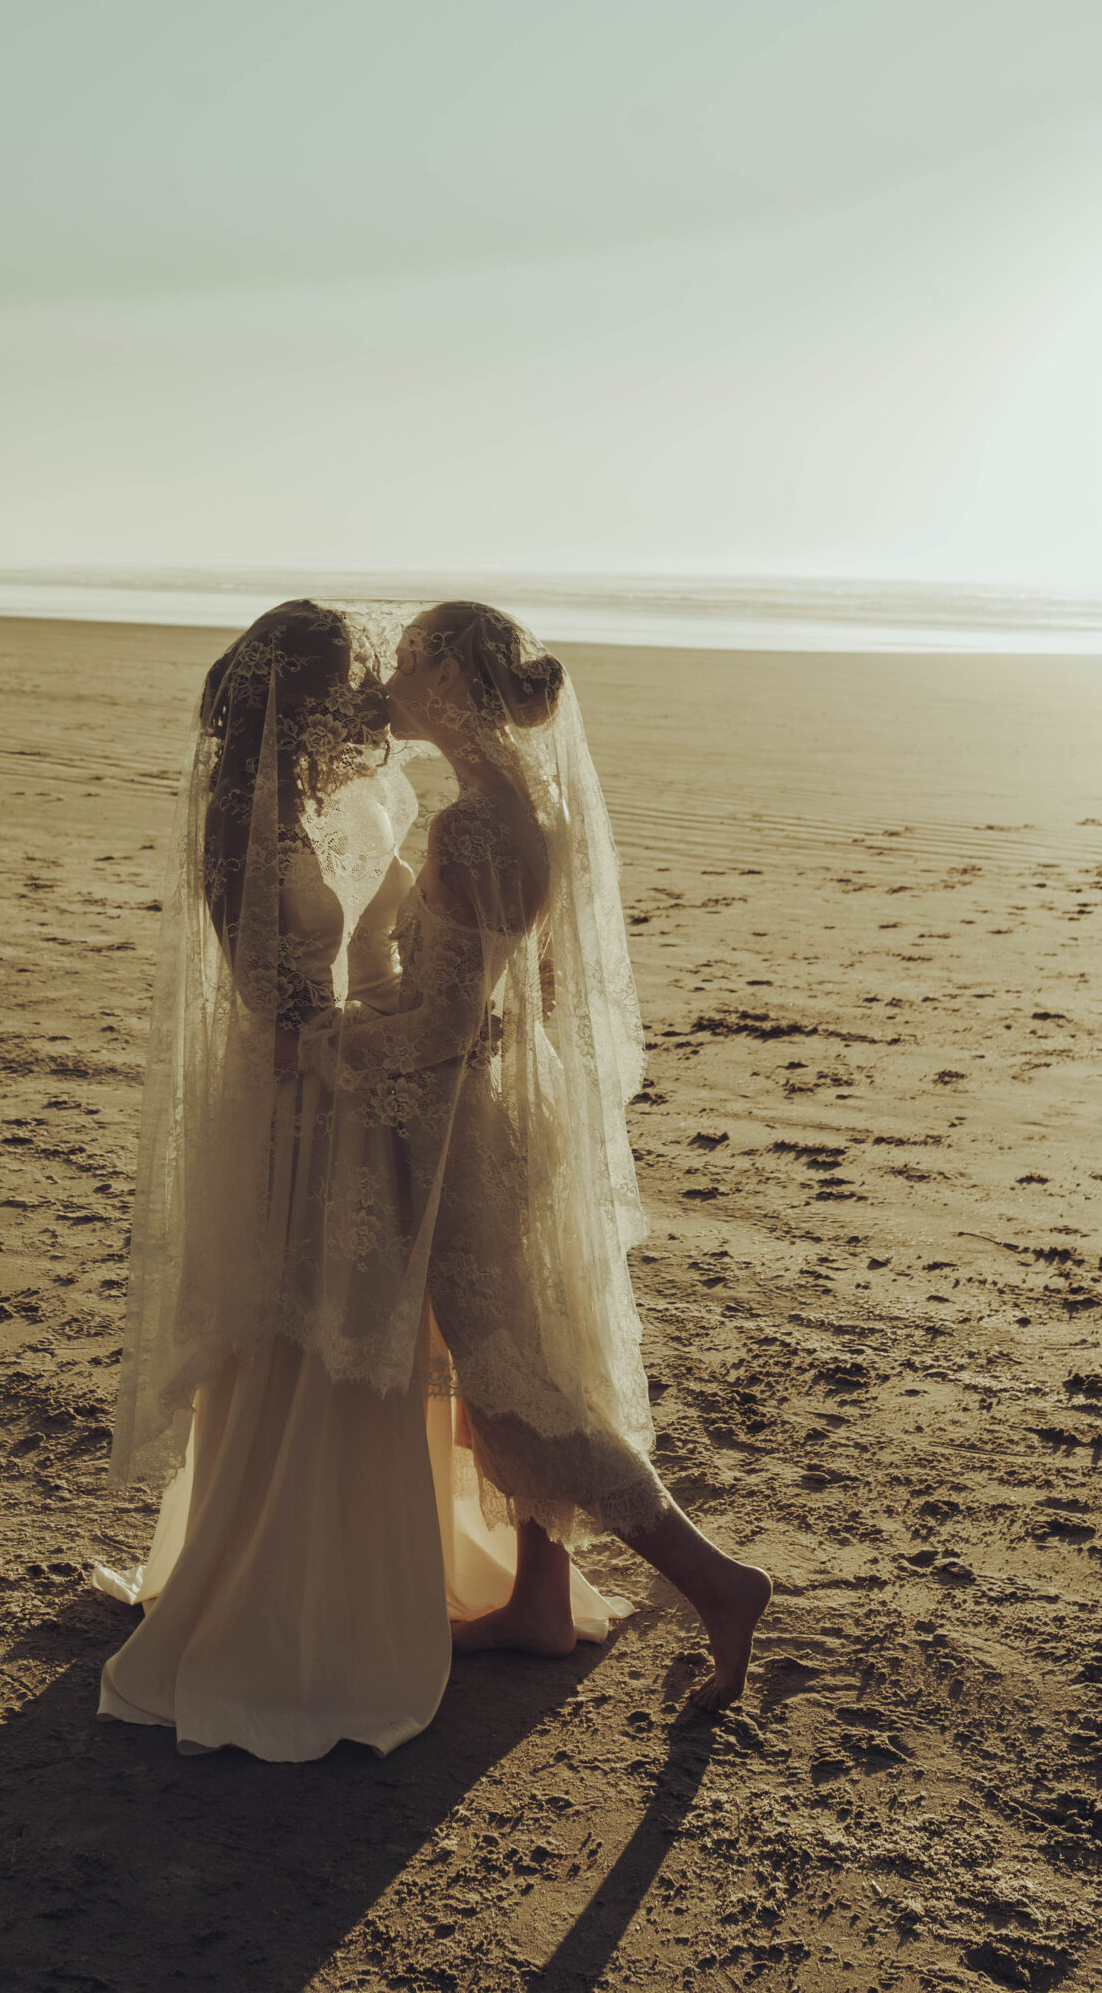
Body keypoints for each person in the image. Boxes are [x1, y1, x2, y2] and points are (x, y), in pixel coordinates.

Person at [294, 603, 770, 1702]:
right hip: (511, 1111)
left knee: (512, 1386)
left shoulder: (471, 826)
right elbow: (531, 993)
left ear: (454, 682)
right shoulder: (528, 804)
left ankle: (715, 1578)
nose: (389, 681)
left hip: (464, 1129)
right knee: (522, 1358)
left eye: (407, 664)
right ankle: (539, 1603)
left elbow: (443, 1031)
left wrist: (324, 1041)